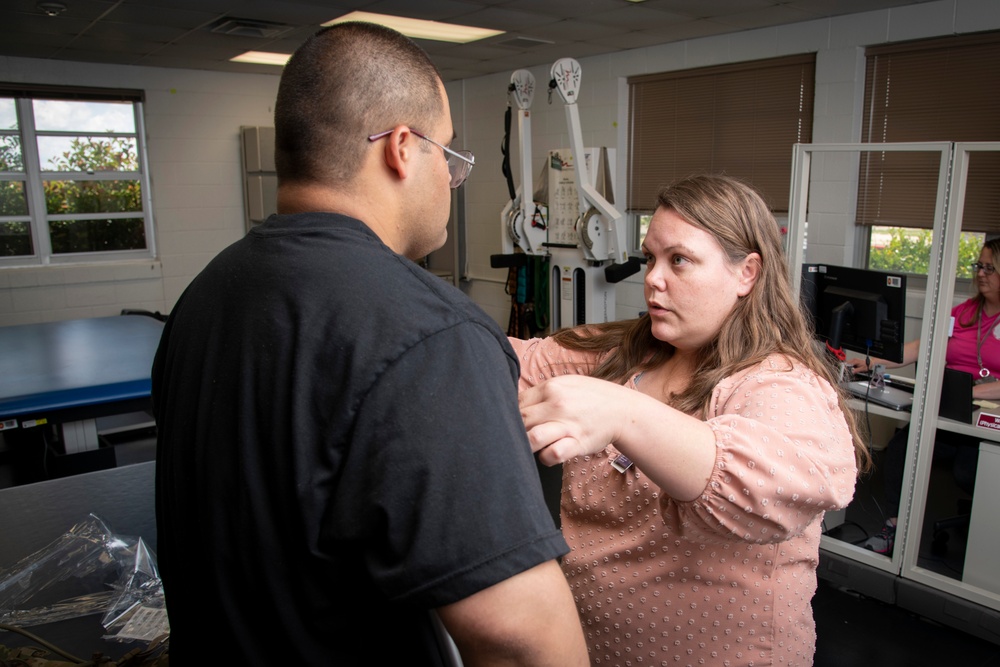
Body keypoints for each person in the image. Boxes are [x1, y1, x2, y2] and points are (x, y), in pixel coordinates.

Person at [151, 22, 588, 666]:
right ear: (403, 149)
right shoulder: (431, 334)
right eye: (450, 154)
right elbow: (523, 643)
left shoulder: (205, 297)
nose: (450, 178)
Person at [511, 174, 867, 666]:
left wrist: (623, 414)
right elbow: (512, 363)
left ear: (747, 273)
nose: (653, 278)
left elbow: (784, 484)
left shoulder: (777, 382)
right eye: (650, 258)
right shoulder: (624, 355)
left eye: (679, 260)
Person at [846, 238, 1000, 556]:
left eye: (990, 268)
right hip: (949, 405)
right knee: (903, 449)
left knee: (967, 473)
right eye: (979, 266)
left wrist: (970, 392)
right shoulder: (964, 312)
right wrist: (873, 361)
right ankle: (895, 526)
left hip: (986, 413)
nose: (981, 274)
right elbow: (920, 347)